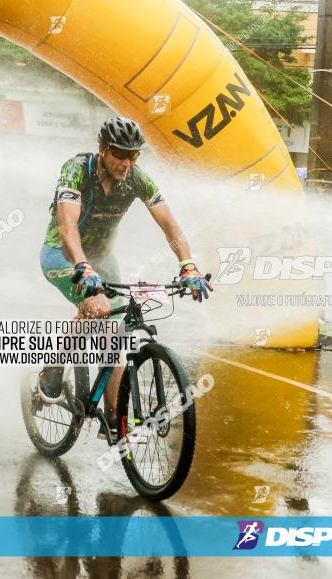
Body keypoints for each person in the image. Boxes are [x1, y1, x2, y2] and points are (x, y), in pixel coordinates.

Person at [38, 116, 211, 438]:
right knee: (99, 309)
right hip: (62, 255)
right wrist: (83, 266)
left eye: (134, 155)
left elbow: (171, 225)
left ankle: (113, 419)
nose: (126, 162)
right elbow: (67, 227)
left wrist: (188, 265)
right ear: (102, 148)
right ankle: (54, 367)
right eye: (119, 153)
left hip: (103, 259)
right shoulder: (77, 170)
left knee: (113, 336)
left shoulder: (137, 180)